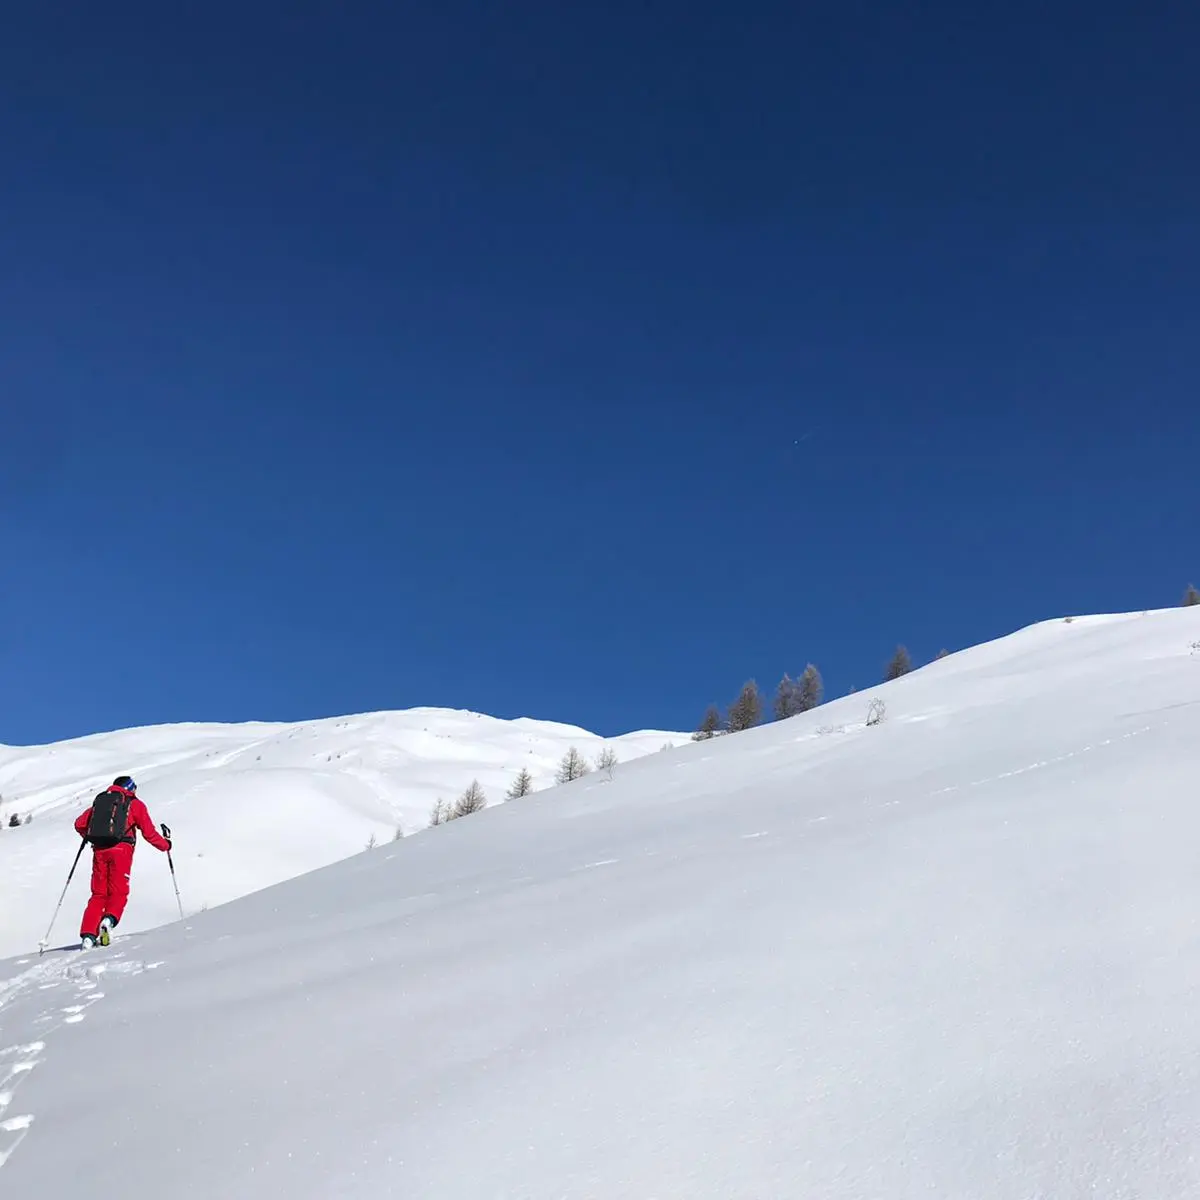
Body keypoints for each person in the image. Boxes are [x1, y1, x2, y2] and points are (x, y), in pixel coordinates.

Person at [74, 775, 171, 949]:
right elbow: (149, 833)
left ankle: (88, 936)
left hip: (99, 851)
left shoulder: (101, 803)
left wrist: (92, 838)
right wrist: (165, 845)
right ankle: (108, 920)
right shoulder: (135, 804)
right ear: (131, 788)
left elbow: (79, 824)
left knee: (98, 894)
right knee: (118, 892)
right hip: (121, 851)